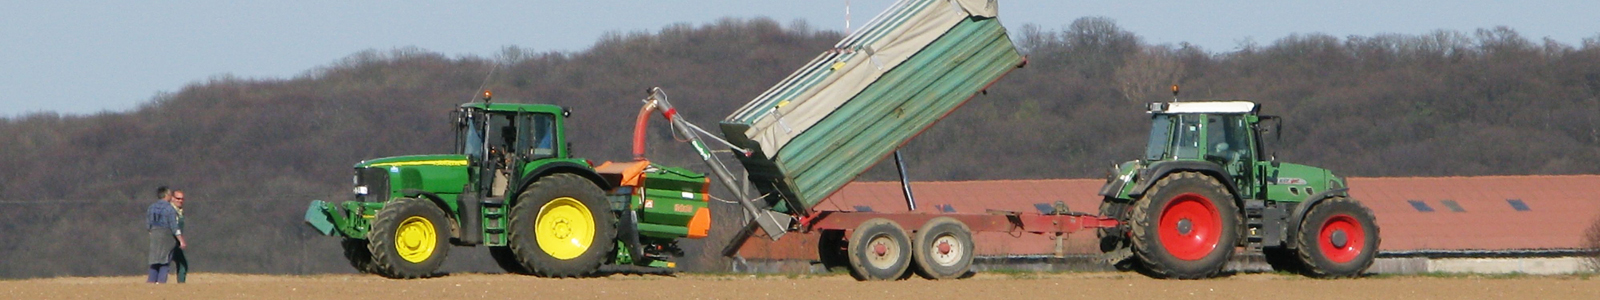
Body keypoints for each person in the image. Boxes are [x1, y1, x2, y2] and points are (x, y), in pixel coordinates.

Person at [146, 186, 185, 284]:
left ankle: (150, 282)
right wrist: (181, 240)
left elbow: (148, 224)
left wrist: (152, 233)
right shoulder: (169, 209)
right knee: (164, 261)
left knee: (154, 260)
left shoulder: (151, 207)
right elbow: (174, 227)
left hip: (154, 234)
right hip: (166, 236)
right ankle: (161, 282)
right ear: (167, 195)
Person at [171, 190, 189, 283]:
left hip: (177, 243)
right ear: (172, 198)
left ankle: (181, 286)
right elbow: (174, 228)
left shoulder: (180, 211)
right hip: (170, 242)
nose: (180, 201)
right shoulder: (171, 211)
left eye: (182, 199)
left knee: (183, 265)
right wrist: (181, 240)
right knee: (163, 265)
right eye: (178, 198)